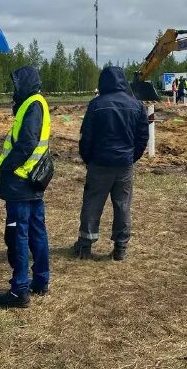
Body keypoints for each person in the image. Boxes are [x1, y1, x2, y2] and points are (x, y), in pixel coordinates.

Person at [73, 66, 149, 261]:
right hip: (124, 164)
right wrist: (132, 157)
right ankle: (120, 249)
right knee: (123, 205)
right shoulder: (137, 105)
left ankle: (85, 247)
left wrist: (88, 158)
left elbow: (86, 137)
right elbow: (142, 138)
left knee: (92, 203)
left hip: (99, 163)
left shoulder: (96, 105)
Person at [0, 66, 51, 308]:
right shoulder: (34, 103)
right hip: (31, 180)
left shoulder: (33, 104)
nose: (13, 89)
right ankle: (40, 281)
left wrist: (7, 166)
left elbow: (27, 141)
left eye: (16, 83)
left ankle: (19, 290)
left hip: (21, 181)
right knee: (36, 231)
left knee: (19, 234)